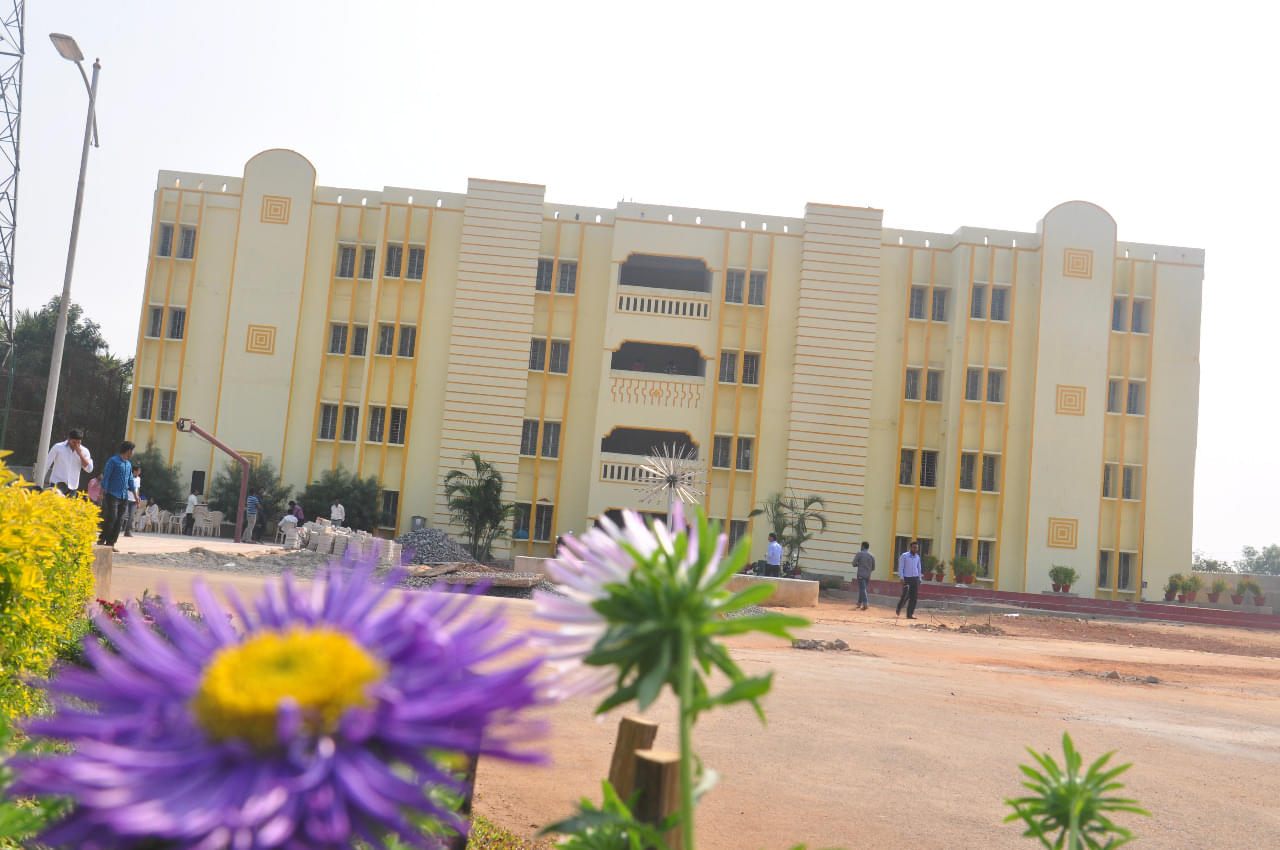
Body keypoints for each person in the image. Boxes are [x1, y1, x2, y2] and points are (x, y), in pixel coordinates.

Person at [97, 441, 136, 549]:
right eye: (132, 450)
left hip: (123, 496)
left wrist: (136, 496)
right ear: (128, 450)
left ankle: (111, 543)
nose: (133, 453)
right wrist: (101, 494)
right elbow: (106, 478)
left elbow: (130, 481)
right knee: (112, 517)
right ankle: (102, 539)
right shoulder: (113, 461)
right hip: (112, 494)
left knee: (119, 520)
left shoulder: (128, 464)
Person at [45, 429, 93, 495]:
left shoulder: (84, 451)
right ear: (68, 439)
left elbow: (89, 469)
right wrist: (39, 481)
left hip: (72, 487)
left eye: (78, 443)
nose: (76, 445)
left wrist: (80, 454)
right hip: (57, 484)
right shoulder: (58, 447)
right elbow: (47, 464)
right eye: (74, 442)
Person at [896, 540, 923, 620]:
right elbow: (901, 567)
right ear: (910, 547)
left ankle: (909, 614)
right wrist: (901, 577)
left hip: (915, 578)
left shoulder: (917, 557)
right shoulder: (904, 556)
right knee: (905, 595)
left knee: (914, 597)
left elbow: (919, 568)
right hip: (906, 578)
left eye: (916, 548)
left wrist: (919, 578)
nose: (915, 549)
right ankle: (899, 607)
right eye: (914, 547)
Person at [852, 541, 875, 611]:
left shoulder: (859, 554)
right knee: (862, 589)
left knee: (862, 589)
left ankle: (865, 604)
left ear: (863, 546)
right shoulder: (872, 556)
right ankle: (859, 603)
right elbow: (873, 568)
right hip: (868, 575)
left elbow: (853, 563)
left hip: (861, 574)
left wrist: (858, 565)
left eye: (861, 546)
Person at [123, 464, 141, 537]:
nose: (139, 472)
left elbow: (137, 489)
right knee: (123, 515)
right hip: (127, 499)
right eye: (139, 471)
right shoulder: (128, 477)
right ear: (134, 471)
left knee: (131, 516)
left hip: (134, 500)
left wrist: (138, 498)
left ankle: (127, 531)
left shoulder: (139, 478)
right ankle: (117, 529)